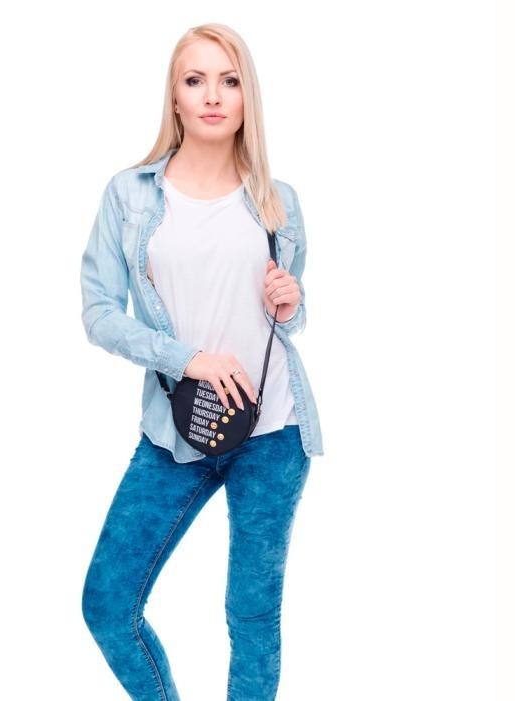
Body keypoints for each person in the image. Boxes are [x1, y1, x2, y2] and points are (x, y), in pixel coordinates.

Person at [79, 22, 324, 701]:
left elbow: (286, 318)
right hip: (175, 431)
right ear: (176, 98)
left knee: (251, 617)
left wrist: (289, 303)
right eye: (195, 80)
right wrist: (187, 359)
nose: (213, 95)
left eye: (229, 80)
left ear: (247, 97)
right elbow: (99, 312)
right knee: (107, 603)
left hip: (272, 432)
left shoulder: (278, 200)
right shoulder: (130, 196)